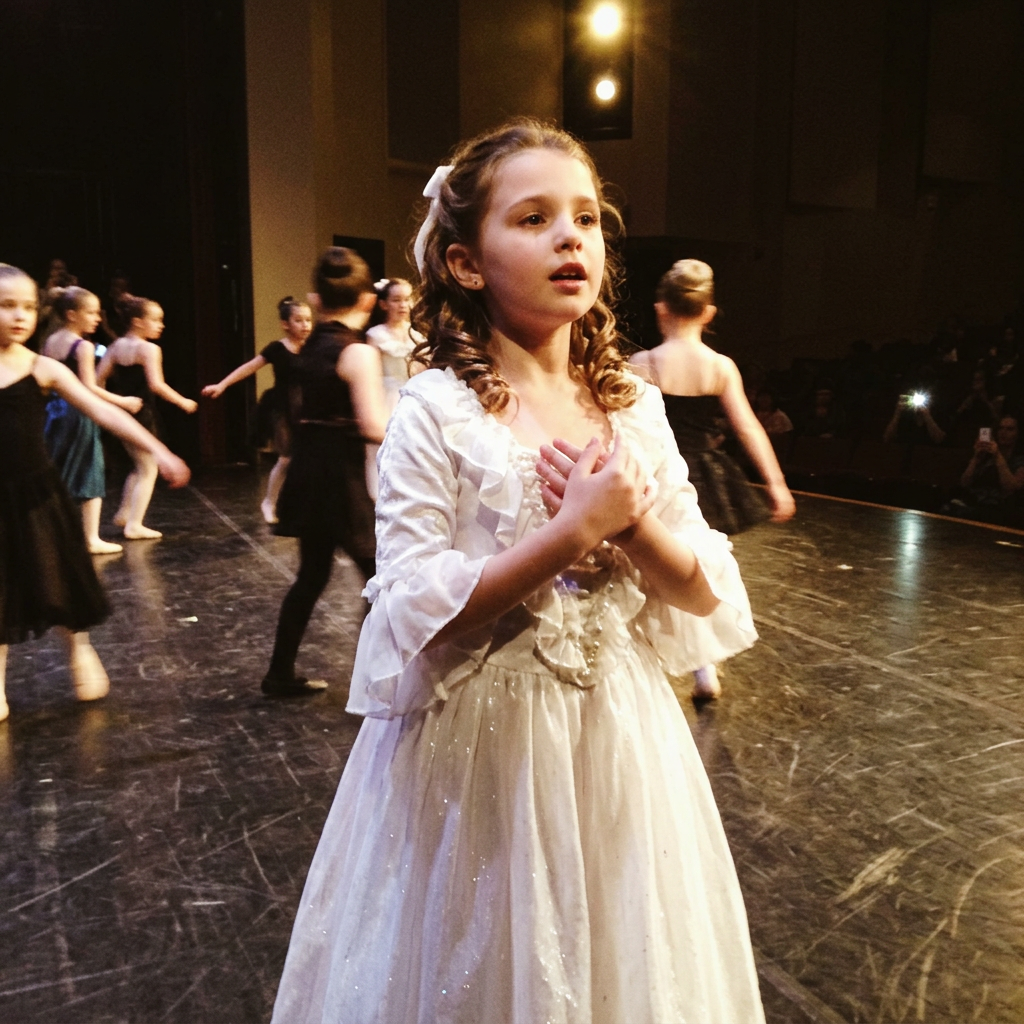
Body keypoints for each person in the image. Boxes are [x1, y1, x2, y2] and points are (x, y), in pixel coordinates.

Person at [270, 120, 764, 1024]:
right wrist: (569, 534)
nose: (570, 236)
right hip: (481, 748)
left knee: (620, 956)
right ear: (466, 263)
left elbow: (703, 589)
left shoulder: (634, 406)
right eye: (534, 218)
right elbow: (412, 605)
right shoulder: (435, 409)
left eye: (586, 218)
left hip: (619, 741)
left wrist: (635, 529)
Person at [0, 264, 189, 723]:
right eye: (7, 306)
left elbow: (103, 411)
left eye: (28, 307)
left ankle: (79, 650)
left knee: (58, 579)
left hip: (38, 496)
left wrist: (158, 450)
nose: (20, 316)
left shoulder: (42, 367)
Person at [630, 259, 794, 699]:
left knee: (650, 567)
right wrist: (775, 482)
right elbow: (748, 427)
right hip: (707, 476)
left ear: (661, 309)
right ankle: (705, 667)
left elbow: (623, 425)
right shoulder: (721, 366)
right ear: (708, 312)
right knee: (701, 570)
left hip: (660, 473)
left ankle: (652, 660)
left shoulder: (644, 363)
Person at [261, 248, 386, 698]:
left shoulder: (309, 346)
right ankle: (375, 680)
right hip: (340, 480)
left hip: (308, 473)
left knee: (312, 576)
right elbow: (373, 425)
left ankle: (279, 673)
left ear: (315, 299)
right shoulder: (358, 353)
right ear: (368, 300)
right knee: (381, 578)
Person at [42, 287, 144, 554]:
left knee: (59, 471)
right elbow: (89, 387)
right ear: (71, 314)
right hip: (79, 413)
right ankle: (90, 539)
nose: (97, 318)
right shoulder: (84, 346)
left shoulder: (51, 341)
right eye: (91, 312)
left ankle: (53, 535)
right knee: (90, 470)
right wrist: (123, 401)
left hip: (55, 411)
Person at [202, 296, 312, 523]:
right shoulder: (277, 349)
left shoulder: (313, 348)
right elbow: (249, 367)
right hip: (281, 408)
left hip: (306, 407)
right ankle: (269, 502)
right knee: (286, 458)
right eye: (299, 320)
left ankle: (298, 504)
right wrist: (222, 385)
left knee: (307, 458)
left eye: (308, 320)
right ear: (285, 324)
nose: (305, 325)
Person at [96, 294, 197, 539]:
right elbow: (156, 385)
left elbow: (97, 380)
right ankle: (134, 524)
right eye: (156, 320)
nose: (161, 325)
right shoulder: (149, 349)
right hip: (142, 414)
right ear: (138, 322)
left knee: (139, 466)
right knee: (148, 469)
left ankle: (124, 513)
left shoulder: (115, 346)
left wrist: (117, 402)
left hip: (122, 414)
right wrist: (182, 401)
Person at [363, 278, 424, 499]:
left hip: (412, 397)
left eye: (407, 299)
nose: (403, 305)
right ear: (384, 304)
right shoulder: (376, 335)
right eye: (396, 300)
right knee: (384, 452)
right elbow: (371, 372)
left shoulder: (417, 336)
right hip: (386, 396)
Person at [947, 414, 1024, 524]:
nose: (1003, 432)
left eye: (1009, 429)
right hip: (973, 502)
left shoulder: (1019, 460)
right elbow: (964, 483)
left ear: (1018, 434)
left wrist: (997, 456)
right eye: (1001, 428)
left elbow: (1011, 488)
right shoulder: (986, 457)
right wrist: (976, 458)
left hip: (998, 509)